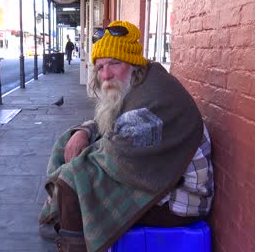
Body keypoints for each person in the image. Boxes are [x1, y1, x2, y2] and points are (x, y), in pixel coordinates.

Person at [38, 20, 214, 252]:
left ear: (132, 63)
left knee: (74, 183)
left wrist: (71, 174)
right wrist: (83, 131)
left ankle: (72, 236)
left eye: (114, 63)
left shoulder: (154, 100)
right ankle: (67, 222)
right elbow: (110, 124)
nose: (106, 74)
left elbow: (116, 162)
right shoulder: (140, 82)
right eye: (100, 67)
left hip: (180, 200)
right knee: (68, 143)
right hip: (161, 176)